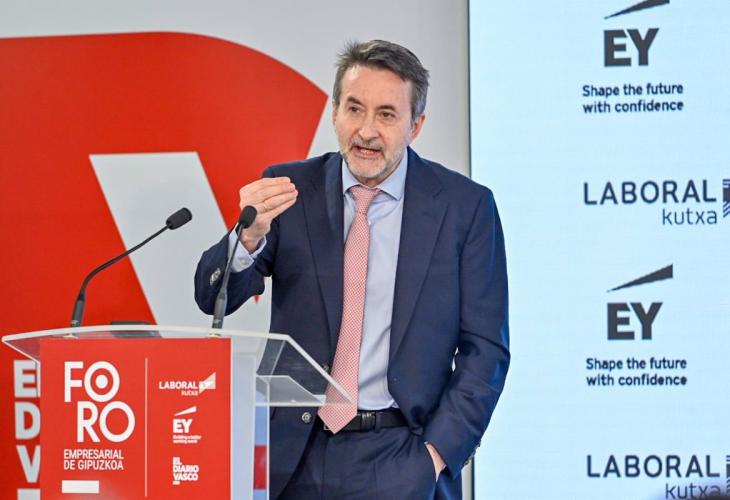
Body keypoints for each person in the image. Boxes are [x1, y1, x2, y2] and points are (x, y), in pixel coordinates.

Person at [194, 39, 509, 500]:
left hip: (402, 455)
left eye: (387, 114)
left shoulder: (464, 208)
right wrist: (247, 237)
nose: (366, 131)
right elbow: (212, 296)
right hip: (293, 456)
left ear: (415, 125)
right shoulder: (289, 190)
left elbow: (486, 350)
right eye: (354, 109)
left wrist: (436, 455)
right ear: (335, 112)